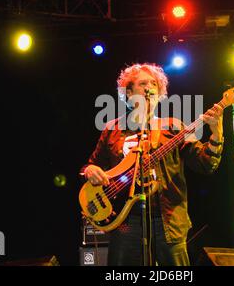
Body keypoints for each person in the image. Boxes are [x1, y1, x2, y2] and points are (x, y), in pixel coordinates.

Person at [80, 63, 224, 266]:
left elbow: (206, 164)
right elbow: (91, 165)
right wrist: (91, 171)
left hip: (168, 221)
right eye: (142, 83)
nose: (150, 88)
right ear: (129, 93)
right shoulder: (112, 128)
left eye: (154, 84)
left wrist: (217, 133)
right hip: (124, 222)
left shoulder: (174, 127)